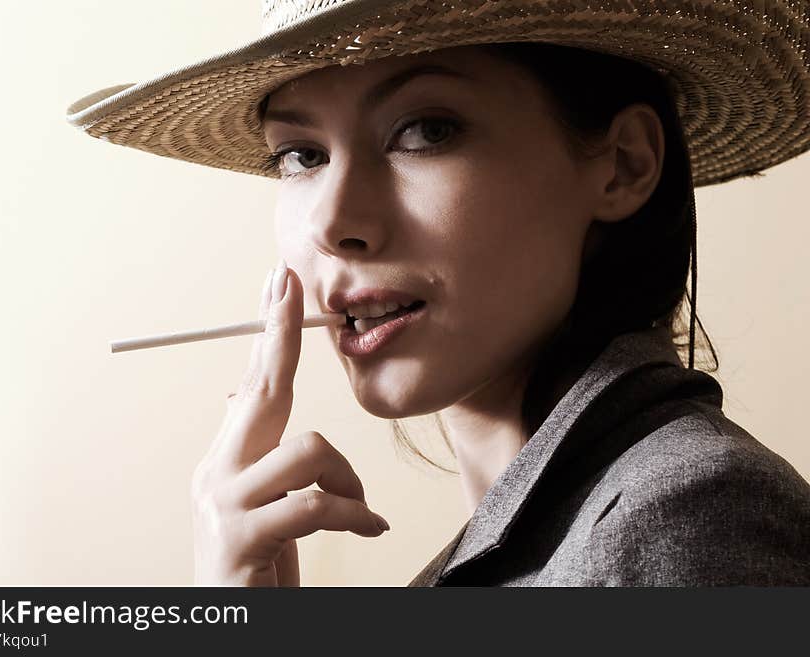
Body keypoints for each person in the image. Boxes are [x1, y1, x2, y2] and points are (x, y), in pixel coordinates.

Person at [67, 0, 810, 586]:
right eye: (301, 154)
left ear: (621, 164)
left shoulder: (685, 513)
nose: (335, 222)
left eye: (424, 130)